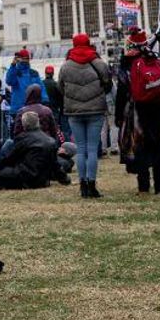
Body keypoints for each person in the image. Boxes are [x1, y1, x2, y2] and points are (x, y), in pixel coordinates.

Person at [59, 33, 112, 198]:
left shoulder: (66, 66)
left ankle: (82, 185)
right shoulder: (98, 63)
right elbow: (108, 84)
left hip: (74, 111)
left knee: (81, 150)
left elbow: (61, 87)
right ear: (89, 43)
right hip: (95, 110)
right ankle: (91, 184)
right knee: (91, 149)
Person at [123, 29, 160, 194]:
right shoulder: (157, 58)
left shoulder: (130, 60)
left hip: (140, 107)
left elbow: (124, 87)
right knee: (158, 143)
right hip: (159, 105)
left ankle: (143, 186)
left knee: (141, 145)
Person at [4, 49, 44, 137]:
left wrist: (45, 102)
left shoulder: (34, 73)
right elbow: (9, 81)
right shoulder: (14, 71)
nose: (25, 61)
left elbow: (41, 89)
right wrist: (13, 65)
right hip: (18, 109)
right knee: (18, 135)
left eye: (27, 58)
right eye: (23, 58)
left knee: (33, 135)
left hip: (32, 109)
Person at [43, 65, 66, 135]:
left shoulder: (41, 84)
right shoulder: (56, 85)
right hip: (54, 111)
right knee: (55, 131)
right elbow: (61, 99)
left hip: (43, 111)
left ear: (45, 73)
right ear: (53, 74)